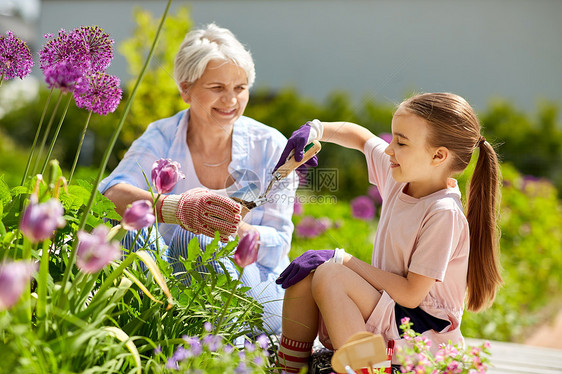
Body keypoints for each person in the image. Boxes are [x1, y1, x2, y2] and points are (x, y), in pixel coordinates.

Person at [98, 24, 306, 335]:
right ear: (185, 89)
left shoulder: (272, 146)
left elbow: (279, 244)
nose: (231, 100)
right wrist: (176, 208)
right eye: (217, 87)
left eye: (240, 87)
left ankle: (221, 347)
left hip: (255, 285)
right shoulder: (163, 134)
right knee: (129, 234)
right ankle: (155, 333)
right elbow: (110, 194)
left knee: (194, 239)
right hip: (172, 284)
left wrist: (233, 227)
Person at [273, 92, 503, 373]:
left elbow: (410, 295)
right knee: (305, 273)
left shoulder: (443, 212)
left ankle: (365, 368)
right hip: (391, 311)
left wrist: (342, 259)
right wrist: (316, 129)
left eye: (401, 142)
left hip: (421, 335)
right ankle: (289, 369)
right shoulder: (403, 178)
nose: (389, 149)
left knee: (329, 272)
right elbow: (359, 137)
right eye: (393, 138)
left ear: (438, 155)